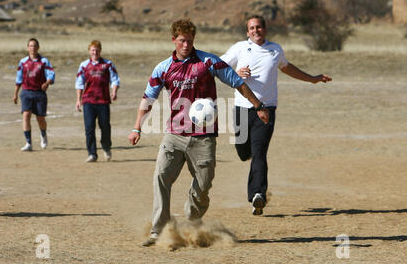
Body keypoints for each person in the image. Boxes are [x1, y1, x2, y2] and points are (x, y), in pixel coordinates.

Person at [128, 18, 269, 246]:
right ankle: (159, 229)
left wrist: (258, 106)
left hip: (203, 138)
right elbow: (148, 99)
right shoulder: (162, 68)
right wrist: (137, 127)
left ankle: (192, 220)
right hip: (174, 135)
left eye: (190, 41)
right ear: (173, 40)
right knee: (161, 177)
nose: (186, 45)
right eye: (182, 41)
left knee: (203, 186)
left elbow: (237, 83)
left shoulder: (209, 62)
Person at [220, 15, 332, 215]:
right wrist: (236, 72)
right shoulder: (239, 48)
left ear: (265, 29)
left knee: (260, 153)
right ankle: (250, 157)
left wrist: (312, 79)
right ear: (247, 32)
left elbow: (288, 68)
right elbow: (218, 66)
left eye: (259, 27)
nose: (256, 30)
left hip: (267, 109)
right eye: (252, 28)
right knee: (243, 151)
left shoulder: (275, 50)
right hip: (241, 108)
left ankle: (258, 195)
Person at [75, 40, 120, 162]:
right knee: (89, 127)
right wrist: (78, 100)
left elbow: (115, 80)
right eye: (92, 50)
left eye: (97, 50)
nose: (95, 52)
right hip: (88, 100)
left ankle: (106, 147)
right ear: (89, 51)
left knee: (104, 126)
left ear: (100, 50)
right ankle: (92, 153)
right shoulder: (84, 65)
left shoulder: (108, 64)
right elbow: (79, 83)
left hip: (103, 100)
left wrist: (114, 91)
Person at [13, 38, 55, 151]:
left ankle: (43, 134)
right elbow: (19, 78)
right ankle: (28, 143)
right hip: (26, 92)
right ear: (28, 48)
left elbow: (51, 74)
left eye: (35, 46)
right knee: (26, 115)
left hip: (39, 93)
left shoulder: (44, 61)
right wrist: (16, 93)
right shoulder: (23, 62)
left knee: (40, 118)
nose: (33, 48)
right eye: (31, 46)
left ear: (38, 47)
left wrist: (47, 83)